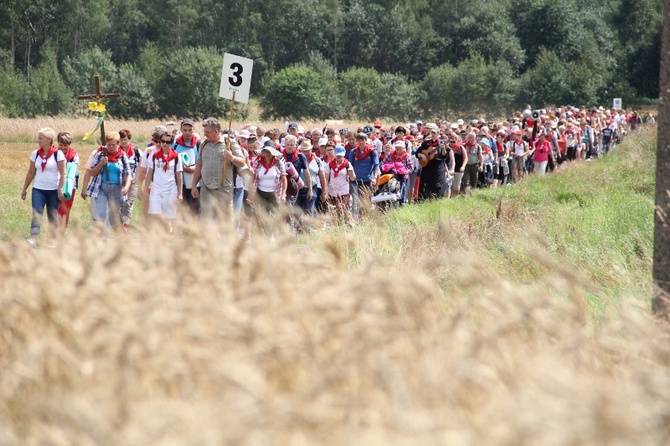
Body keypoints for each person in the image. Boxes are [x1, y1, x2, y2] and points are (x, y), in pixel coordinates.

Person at [191, 117, 246, 224]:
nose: (205, 134)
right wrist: (194, 184)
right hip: (206, 188)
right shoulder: (203, 145)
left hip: (224, 188)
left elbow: (242, 162)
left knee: (225, 218)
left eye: (207, 132)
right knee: (206, 219)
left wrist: (232, 157)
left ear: (216, 131)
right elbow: (199, 165)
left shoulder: (229, 143)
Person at [21, 128, 66, 248]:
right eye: (39, 138)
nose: (38, 140)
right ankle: (33, 238)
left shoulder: (58, 154)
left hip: (53, 189)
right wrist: (24, 188)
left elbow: (63, 173)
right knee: (37, 212)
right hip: (38, 189)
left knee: (52, 214)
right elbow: (31, 173)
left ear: (49, 140)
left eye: (41, 138)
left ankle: (53, 240)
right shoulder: (35, 154)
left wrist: (60, 189)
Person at [85, 131, 132, 234]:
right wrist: (102, 163)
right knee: (99, 213)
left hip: (116, 188)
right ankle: (97, 238)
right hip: (102, 187)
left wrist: (126, 187)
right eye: (109, 145)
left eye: (113, 145)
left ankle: (119, 238)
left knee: (114, 216)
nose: (111, 147)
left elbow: (128, 174)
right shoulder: (100, 154)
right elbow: (92, 172)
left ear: (118, 144)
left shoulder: (122, 156)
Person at [146, 132, 184, 232]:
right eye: (162, 141)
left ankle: (166, 235)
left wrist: (180, 193)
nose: (165, 144)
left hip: (171, 189)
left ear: (171, 143)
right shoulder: (154, 155)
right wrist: (146, 187)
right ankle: (158, 233)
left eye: (168, 142)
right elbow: (149, 172)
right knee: (155, 214)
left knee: (168, 217)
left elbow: (179, 175)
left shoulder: (176, 157)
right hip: (156, 189)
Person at [248, 140, 287, 235]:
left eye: (270, 152)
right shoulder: (258, 162)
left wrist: (283, 194)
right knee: (261, 215)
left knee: (274, 215)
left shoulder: (278, 163)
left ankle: (272, 234)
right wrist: (250, 194)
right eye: (266, 152)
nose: (268, 154)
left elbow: (284, 179)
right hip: (260, 192)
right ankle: (264, 235)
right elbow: (252, 179)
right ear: (263, 152)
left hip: (274, 193)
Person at [172, 118, 200, 216]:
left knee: (194, 211)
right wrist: (180, 167)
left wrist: (195, 168)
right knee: (181, 211)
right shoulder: (175, 144)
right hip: (180, 183)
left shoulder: (198, 143)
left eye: (190, 130)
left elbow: (202, 161)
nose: (187, 133)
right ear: (181, 129)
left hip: (195, 182)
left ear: (194, 129)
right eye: (185, 130)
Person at [348, 132, 380, 217]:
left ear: (366, 140)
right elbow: (350, 166)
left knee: (366, 202)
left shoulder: (372, 152)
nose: (361, 142)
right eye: (359, 140)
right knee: (355, 202)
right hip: (356, 181)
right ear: (356, 141)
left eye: (363, 140)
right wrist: (350, 178)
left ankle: (365, 219)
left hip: (368, 180)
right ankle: (355, 221)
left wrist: (375, 178)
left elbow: (376, 166)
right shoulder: (353, 152)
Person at [415, 124, 448, 200]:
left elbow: (444, 156)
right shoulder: (426, 143)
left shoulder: (441, 143)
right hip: (427, 166)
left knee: (438, 184)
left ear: (438, 134)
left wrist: (443, 149)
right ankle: (424, 199)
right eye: (431, 132)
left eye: (434, 133)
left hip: (438, 166)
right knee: (425, 184)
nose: (432, 134)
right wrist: (422, 156)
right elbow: (417, 153)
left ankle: (437, 199)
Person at [325, 144, 356, 224]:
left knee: (341, 208)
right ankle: (336, 225)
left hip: (343, 190)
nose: (339, 157)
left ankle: (342, 223)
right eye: (338, 155)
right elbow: (326, 177)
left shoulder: (347, 164)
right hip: (332, 190)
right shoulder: (330, 164)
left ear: (344, 155)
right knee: (333, 209)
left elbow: (353, 178)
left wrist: (351, 173)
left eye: (340, 156)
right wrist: (325, 190)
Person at [55, 131, 79, 231]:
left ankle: (60, 233)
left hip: (69, 186)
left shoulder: (74, 155)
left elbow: (73, 171)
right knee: (54, 209)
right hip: (55, 184)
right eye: (61, 145)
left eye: (66, 145)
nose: (63, 148)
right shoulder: (53, 153)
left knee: (64, 210)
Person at [118, 129, 142, 231]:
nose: (123, 142)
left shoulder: (136, 151)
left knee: (129, 203)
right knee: (119, 203)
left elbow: (142, 165)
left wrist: (139, 178)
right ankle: (119, 223)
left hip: (133, 181)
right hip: (119, 181)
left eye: (125, 139)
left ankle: (125, 226)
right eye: (121, 139)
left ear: (129, 139)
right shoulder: (116, 151)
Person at [299, 139, 327, 218]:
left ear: (311, 149)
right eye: (304, 151)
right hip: (299, 188)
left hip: (313, 187)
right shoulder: (298, 159)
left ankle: (309, 228)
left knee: (309, 210)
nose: (306, 153)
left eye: (307, 151)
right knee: (299, 211)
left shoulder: (317, 160)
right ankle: (300, 228)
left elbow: (322, 177)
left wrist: (324, 192)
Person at [382, 140, 414, 204]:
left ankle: (402, 203)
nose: (398, 150)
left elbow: (411, 167)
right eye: (396, 148)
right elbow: (383, 163)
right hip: (390, 176)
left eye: (400, 149)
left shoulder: (406, 156)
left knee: (402, 190)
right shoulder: (390, 155)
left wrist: (406, 171)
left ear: (403, 148)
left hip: (402, 176)